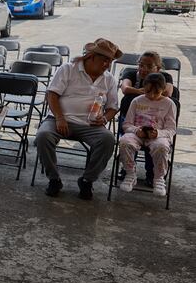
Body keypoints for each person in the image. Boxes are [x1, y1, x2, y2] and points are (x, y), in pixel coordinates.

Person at [35, 38, 122, 200]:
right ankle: (54, 179)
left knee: (108, 139)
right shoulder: (68, 69)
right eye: (105, 60)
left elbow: (113, 107)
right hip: (59, 119)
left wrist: (104, 118)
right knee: (42, 136)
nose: (107, 65)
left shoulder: (109, 79)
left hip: (91, 125)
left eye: (110, 61)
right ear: (91, 57)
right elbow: (52, 94)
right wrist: (60, 118)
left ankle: (87, 180)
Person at [118, 50, 175, 186]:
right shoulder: (131, 74)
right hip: (132, 117)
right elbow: (125, 88)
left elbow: (167, 92)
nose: (144, 69)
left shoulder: (165, 77)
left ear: (158, 68)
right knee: (127, 138)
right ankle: (129, 169)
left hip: (157, 120)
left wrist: (153, 88)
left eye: (149, 66)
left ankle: (153, 172)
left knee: (157, 142)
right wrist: (143, 92)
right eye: (141, 65)